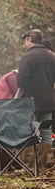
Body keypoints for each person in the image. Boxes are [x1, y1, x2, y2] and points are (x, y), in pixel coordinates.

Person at [17, 29, 55, 170]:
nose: (24, 44)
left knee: (28, 131)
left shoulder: (28, 57)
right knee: (46, 134)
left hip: (31, 102)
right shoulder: (51, 57)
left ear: (29, 39)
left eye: (25, 41)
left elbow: (21, 81)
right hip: (49, 102)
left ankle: (28, 167)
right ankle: (41, 166)